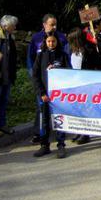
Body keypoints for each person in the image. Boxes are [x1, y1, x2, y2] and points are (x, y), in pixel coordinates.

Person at [27, 14, 70, 144]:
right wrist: (34, 74)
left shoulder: (61, 37)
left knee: (58, 110)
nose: (54, 27)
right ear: (44, 25)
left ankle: (60, 139)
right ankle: (40, 134)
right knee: (42, 109)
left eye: (56, 24)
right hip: (43, 82)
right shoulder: (36, 38)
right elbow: (31, 57)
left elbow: (66, 60)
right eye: (52, 24)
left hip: (58, 86)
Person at [31, 32, 70, 158]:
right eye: (48, 41)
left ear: (57, 42)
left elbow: (70, 73)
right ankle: (44, 145)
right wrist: (41, 92)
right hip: (44, 95)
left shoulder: (63, 55)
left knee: (59, 120)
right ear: (45, 42)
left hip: (59, 95)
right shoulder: (41, 55)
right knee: (44, 120)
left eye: (53, 41)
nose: (51, 44)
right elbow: (35, 75)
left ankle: (61, 145)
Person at [68, 27, 101, 145]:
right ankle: (78, 130)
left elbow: (98, 65)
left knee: (85, 109)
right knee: (76, 109)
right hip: (74, 83)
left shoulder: (89, 49)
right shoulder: (70, 50)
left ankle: (86, 133)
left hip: (86, 84)